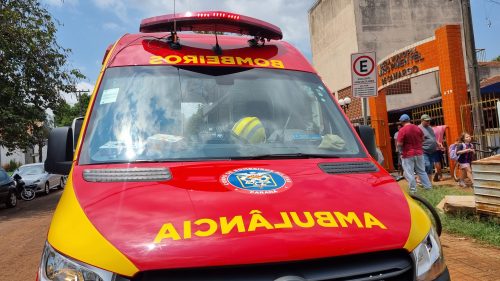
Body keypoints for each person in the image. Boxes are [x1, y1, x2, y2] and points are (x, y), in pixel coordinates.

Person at [397, 114, 432, 193]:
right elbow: (423, 139)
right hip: (419, 153)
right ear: (409, 120)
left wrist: (400, 150)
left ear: (402, 121)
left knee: (409, 173)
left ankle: (413, 191)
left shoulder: (402, 130)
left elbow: (399, 144)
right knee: (422, 171)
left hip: (408, 154)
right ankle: (428, 188)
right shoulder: (417, 128)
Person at [418, 114, 437, 179]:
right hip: (424, 151)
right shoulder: (418, 129)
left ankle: (429, 184)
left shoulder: (430, 128)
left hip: (432, 151)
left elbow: (433, 138)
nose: (428, 122)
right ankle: (422, 180)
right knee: (427, 165)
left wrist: (438, 143)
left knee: (430, 167)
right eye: (426, 121)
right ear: (422, 120)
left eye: (429, 121)